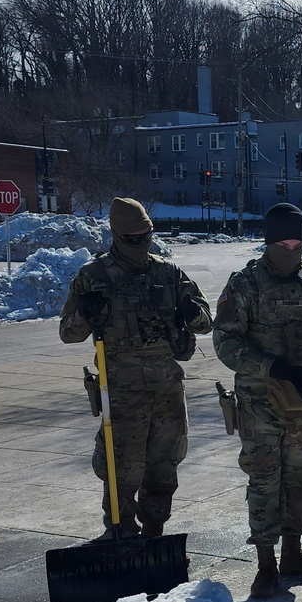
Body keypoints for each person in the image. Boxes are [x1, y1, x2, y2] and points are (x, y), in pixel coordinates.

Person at [213, 203, 302, 598]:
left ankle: (293, 552)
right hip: (260, 403)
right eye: (282, 244)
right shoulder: (245, 285)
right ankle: (265, 564)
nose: (291, 251)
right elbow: (225, 341)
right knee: (264, 479)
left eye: (298, 245)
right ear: (268, 242)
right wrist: (271, 366)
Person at [59, 196, 214, 538]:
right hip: (121, 390)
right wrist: (86, 314)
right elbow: (68, 333)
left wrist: (193, 314)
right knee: (121, 466)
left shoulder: (168, 273)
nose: (142, 243)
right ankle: (121, 528)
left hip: (166, 388)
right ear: (117, 236)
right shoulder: (93, 276)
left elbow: (206, 323)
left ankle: (155, 531)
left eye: (147, 235)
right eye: (133, 238)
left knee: (164, 463)